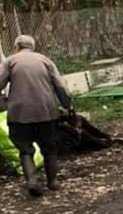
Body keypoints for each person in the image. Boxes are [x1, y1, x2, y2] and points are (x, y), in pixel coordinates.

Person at [0, 35, 73, 197]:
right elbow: (60, 85)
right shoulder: (45, 60)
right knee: (49, 148)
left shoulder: (10, 61)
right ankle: (53, 182)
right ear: (32, 47)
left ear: (16, 47)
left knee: (25, 149)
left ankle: (32, 182)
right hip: (46, 112)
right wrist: (67, 105)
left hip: (19, 114)